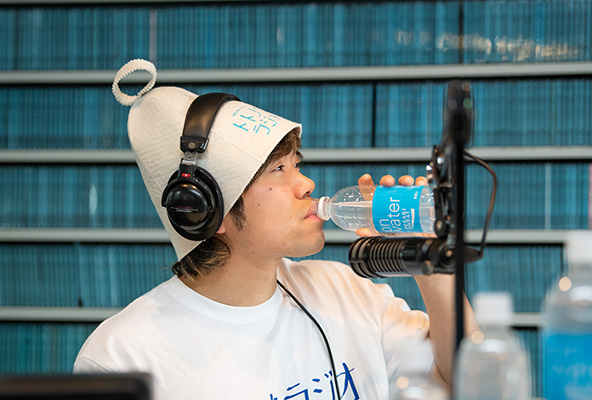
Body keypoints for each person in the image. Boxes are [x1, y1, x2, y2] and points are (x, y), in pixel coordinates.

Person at [74, 59, 478, 400]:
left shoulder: (345, 291)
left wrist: (427, 260)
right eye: (278, 169)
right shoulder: (123, 355)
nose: (306, 184)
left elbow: (470, 383)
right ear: (206, 211)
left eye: (296, 164)